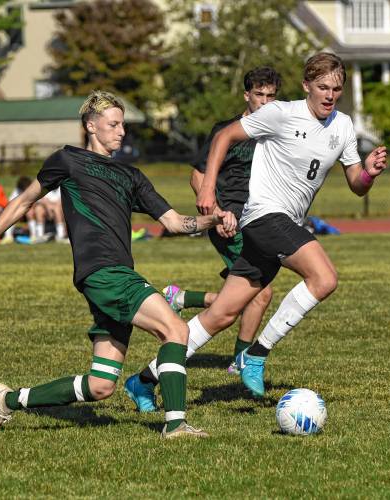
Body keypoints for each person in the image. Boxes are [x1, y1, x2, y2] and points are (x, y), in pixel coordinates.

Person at [0, 90, 237, 438]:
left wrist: (216, 218)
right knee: (175, 330)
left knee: (101, 385)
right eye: (114, 124)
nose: (121, 131)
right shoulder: (68, 160)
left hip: (115, 274)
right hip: (103, 272)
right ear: (91, 126)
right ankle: (176, 424)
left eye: (123, 124)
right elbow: (24, 201)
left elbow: (175, 223)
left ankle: (8, 401)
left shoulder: (131, 176)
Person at [131, 53, 387, 402]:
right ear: (306, 86)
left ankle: (144, 379)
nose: (330, 95)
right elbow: (223, 137)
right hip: (264, 216)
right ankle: (256, 354)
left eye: (336, 89)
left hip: (284, 223)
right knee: (324, 278)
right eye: (323, 87)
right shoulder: (280, 113)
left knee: (221, 314)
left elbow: (357, 184)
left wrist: (370, 171)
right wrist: (206, 188)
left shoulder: (342, 126)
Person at [123, 68, 282, 410]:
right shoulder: (226, 131)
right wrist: (218, 213)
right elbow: (198, 177)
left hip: (260, 221)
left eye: (271, 97)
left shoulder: (274, 132)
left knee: (242, 298)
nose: (265, 103)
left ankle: (183, 299)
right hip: (230, 222)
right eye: (259, 96)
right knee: (260, 292)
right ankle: (241, 358)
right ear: (247, 96)